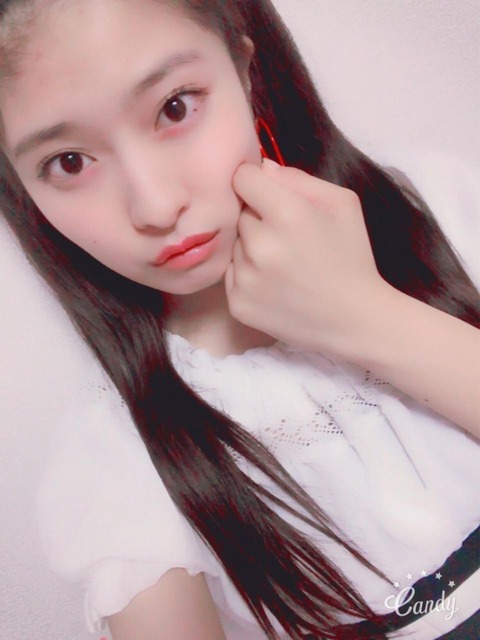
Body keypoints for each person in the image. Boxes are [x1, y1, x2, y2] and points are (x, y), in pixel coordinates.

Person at [0, 1, 478, 639]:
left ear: (246, 72)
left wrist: (364, 316)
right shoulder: (117, 464)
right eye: (69, 162)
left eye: (175, 107)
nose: (155, 205)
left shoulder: (443, 209)